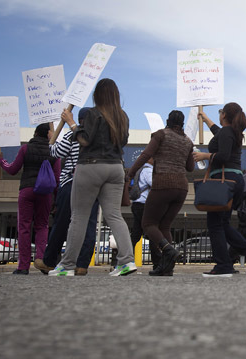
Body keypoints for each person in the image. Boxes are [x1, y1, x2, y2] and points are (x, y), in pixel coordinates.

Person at [50, 78, 136, 276]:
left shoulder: (92, 113)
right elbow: (122, 142)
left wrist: (71, 122)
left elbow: (84, 140)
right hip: (115, 168)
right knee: (114, 215)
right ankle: (126, 261)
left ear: (97, 95)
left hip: (90, 166)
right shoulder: (123, 116)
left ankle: (67, 265)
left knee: (79, 216)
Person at [193, 103, 246, 277]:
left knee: (214, 224)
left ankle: (225, 264)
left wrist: (204, 155)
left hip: (224, 181)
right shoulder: (231, 132)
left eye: (219, 113)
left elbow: (223, 155)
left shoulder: (226, 132)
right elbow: (217, 131)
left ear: (224, 114)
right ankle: (245, 255)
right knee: (221, 223)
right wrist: (205, 118)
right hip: (234, 180)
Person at [127, 110, 194, 276]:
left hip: (163, 183)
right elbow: (190, 168)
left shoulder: (160, 135)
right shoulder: (187, 141)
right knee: (165, 226)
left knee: (148, 224)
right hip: (181, 188)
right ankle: (167, 268)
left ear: (167, 121)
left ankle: (168, 250)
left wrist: (131, 173)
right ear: (182, 123)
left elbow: (146, 154)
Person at [37, 108, 99, 276]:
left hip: (71, 182)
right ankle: (82, 264)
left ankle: (49, 261)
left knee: (62, 223)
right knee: (89, 224)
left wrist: (52, 141)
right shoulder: (98, 137)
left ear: (79, 119)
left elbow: (58, 153)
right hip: (93, 184)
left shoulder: (72, 134)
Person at [0, 123, 61, 275]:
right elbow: (57, 179)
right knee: (42, 226)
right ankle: (41, 260)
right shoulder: (54, 152)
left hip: (27, 190)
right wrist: (56, 200)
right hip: (45, 193)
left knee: (24, 227)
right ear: (49, 134)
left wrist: (1, 160)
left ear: (36, 133)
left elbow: (12, 170)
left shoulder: (25, 149)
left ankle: (23, 266)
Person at [128, 157, 162, 273]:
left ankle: (125, 259)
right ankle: (157, 264)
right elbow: (154, 184)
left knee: (136, 234)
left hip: (137, 204)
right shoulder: (148, 170)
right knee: (153, 233)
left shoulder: (140, 170)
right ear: (150, 159)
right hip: (145, 205)